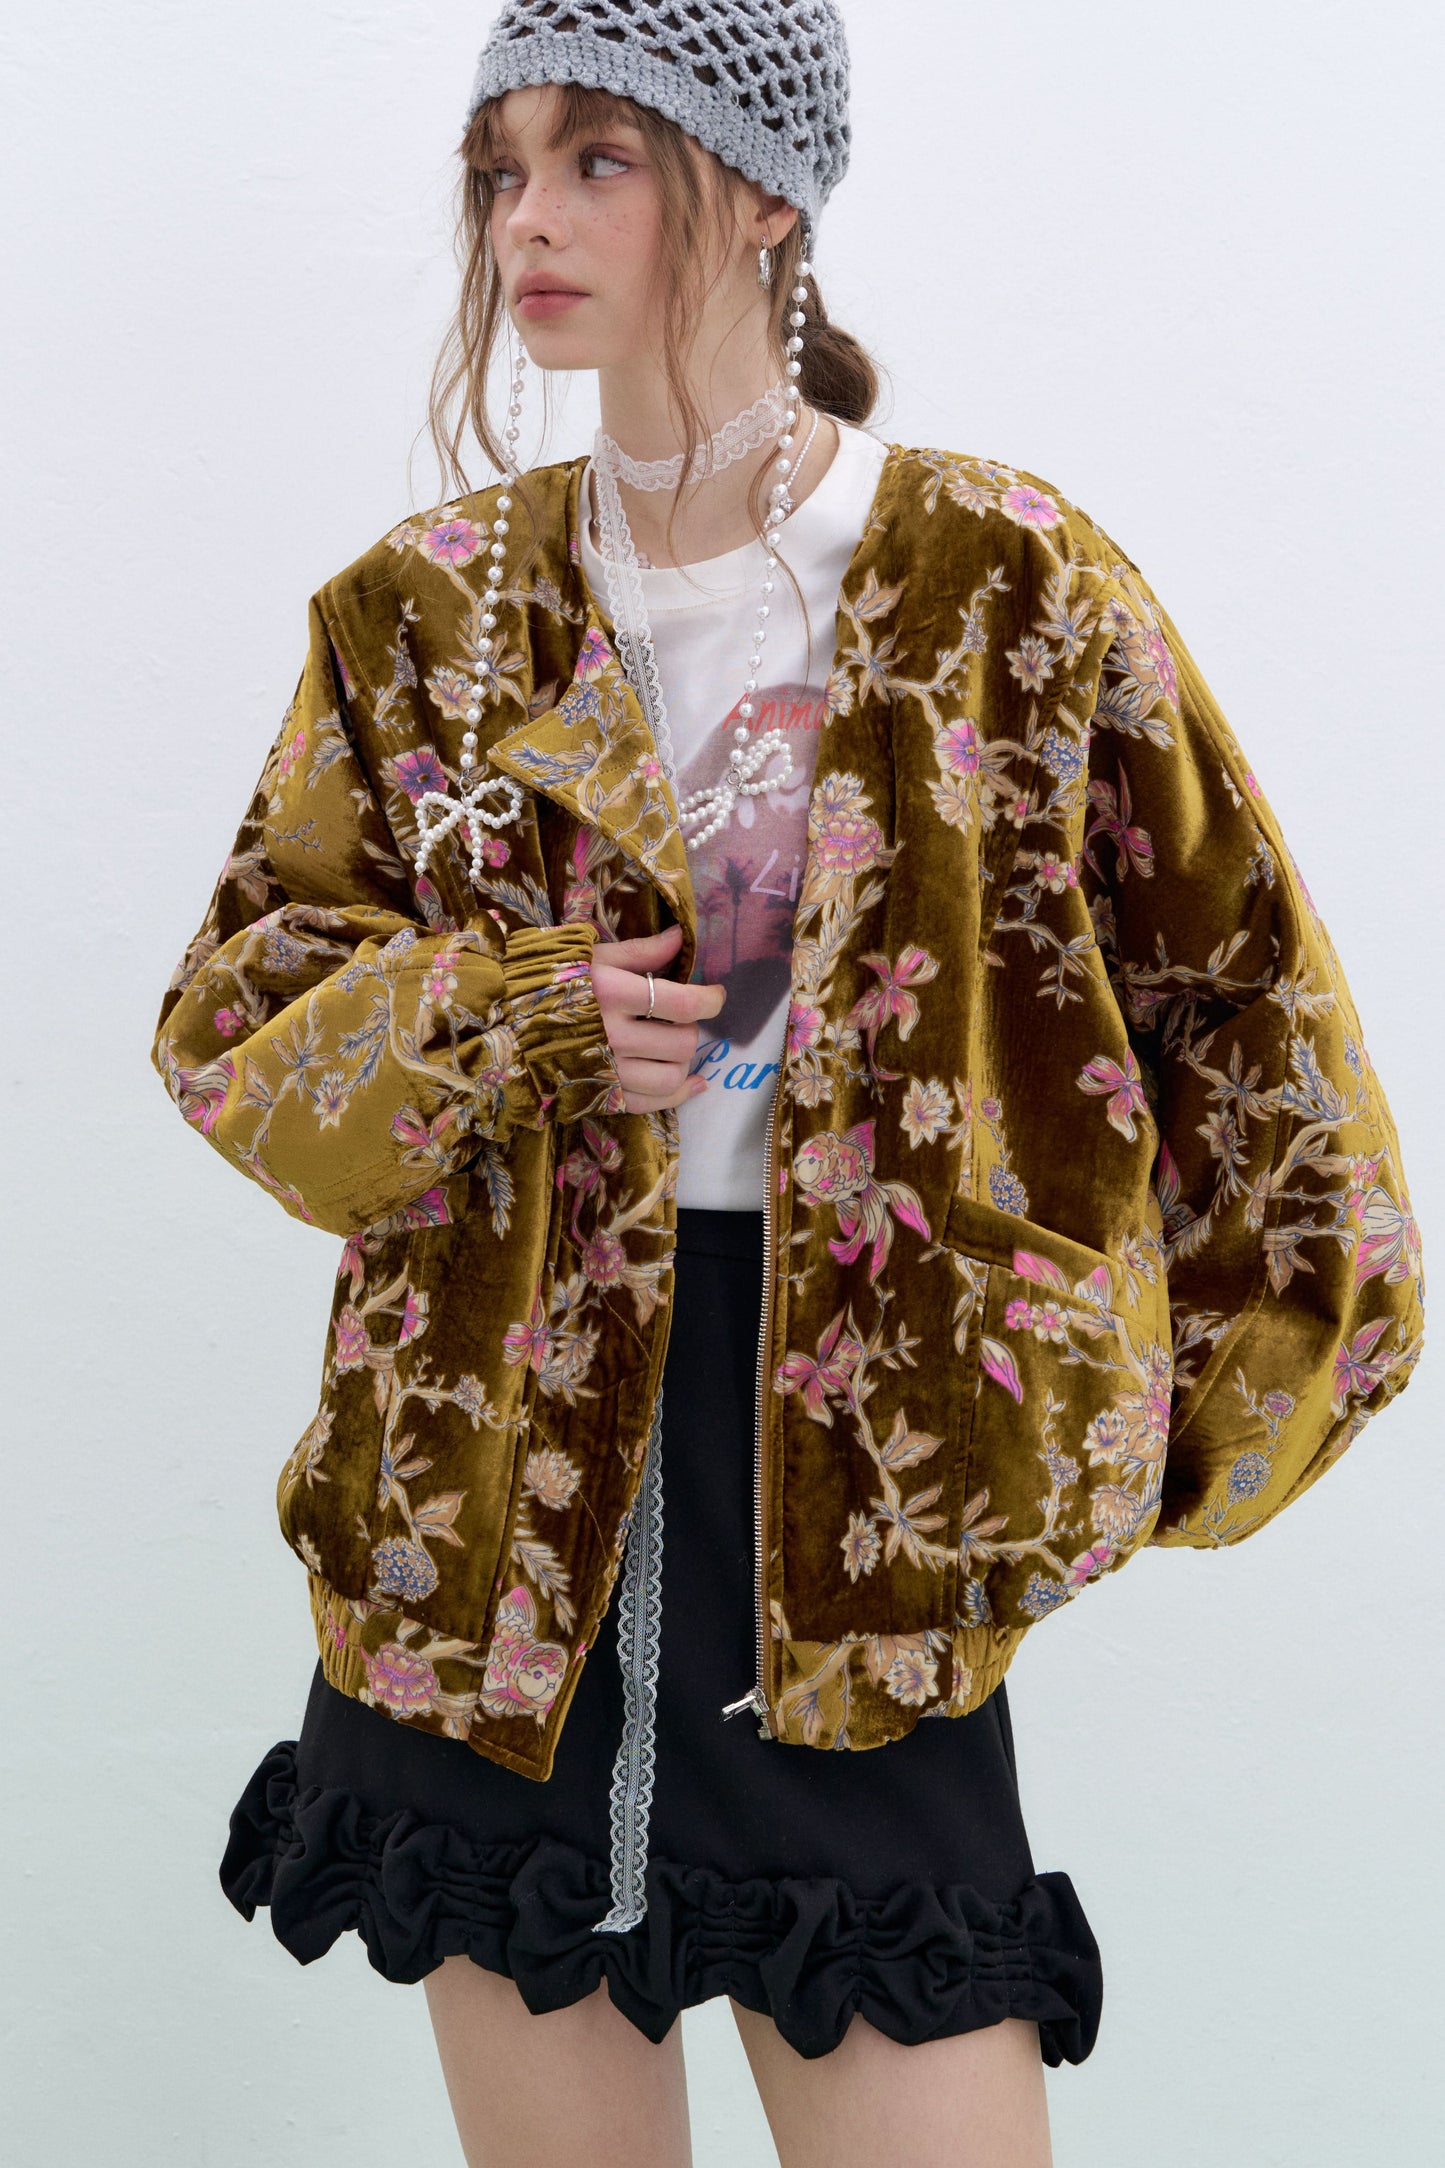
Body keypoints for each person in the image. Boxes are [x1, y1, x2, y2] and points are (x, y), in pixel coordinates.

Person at [150, 4, 1426, 2164]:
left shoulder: (1008, 585)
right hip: (487, 1506)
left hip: (859, 1504)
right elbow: (236, 1014)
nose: (526, 222)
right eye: (501, 171)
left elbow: (1251, 1030)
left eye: (597, 160)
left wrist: (1111, 1426)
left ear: (759, 193)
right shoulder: (426, 615)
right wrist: (501, 1019)